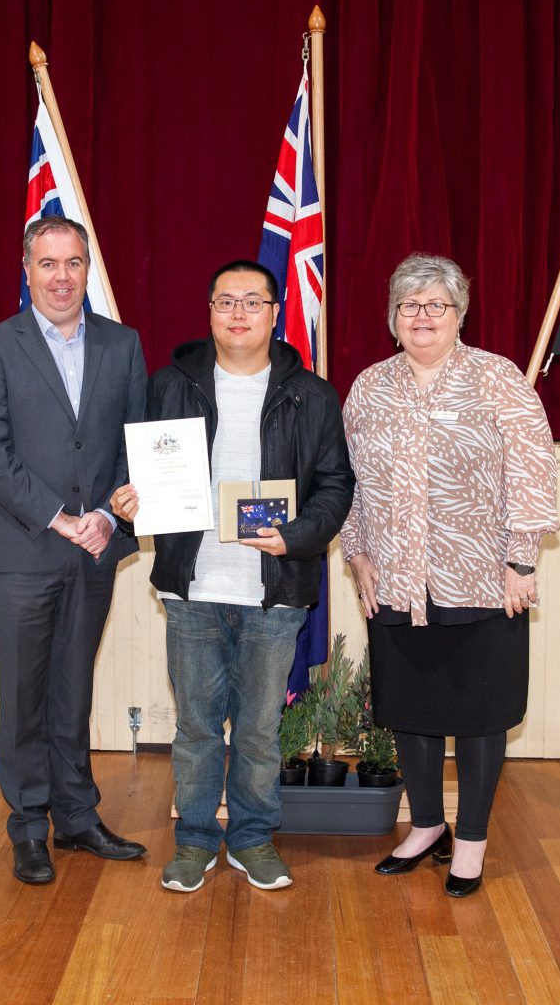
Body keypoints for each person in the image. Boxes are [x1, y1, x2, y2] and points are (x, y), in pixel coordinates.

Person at [111, 260, 354, 893]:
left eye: (253, 301)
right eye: (226, 302)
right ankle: (194, 840)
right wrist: (128, 495)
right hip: (191, 587)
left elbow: (335, 484)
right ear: (210, 313)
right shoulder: (170, 384)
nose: (239, 313)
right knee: (195, 725)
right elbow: (131, 460)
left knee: (256, 729)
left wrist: (296, 537)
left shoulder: (314, 393)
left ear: (276, 313)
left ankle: (251, 838)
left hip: (274, 590)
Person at [341, 253, 559, 897]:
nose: (423, 316)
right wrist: (357, 556)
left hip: (483, 580)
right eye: (410, 305)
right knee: (411, 710)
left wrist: (522, 560)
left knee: (480, 713)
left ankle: (471, 841)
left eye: (437, 304)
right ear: (393, 318)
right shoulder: (368, 388)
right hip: (396, 581)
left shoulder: (498, 380)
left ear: (460, 314)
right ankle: (428, 825)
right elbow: (352, 484)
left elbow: (532, 472)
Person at [0, 216, 148, 884]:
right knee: (24, 697)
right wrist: (57, 517)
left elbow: (136, 443)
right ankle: (28, 827)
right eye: (48, 264)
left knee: (73, 692)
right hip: (23, 552)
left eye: (73, 263)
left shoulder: (121, 345)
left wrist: (102, 516)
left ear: (87, 267)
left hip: (94, 550)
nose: (62, 276)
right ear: (27, 268)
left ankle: (77, 820)